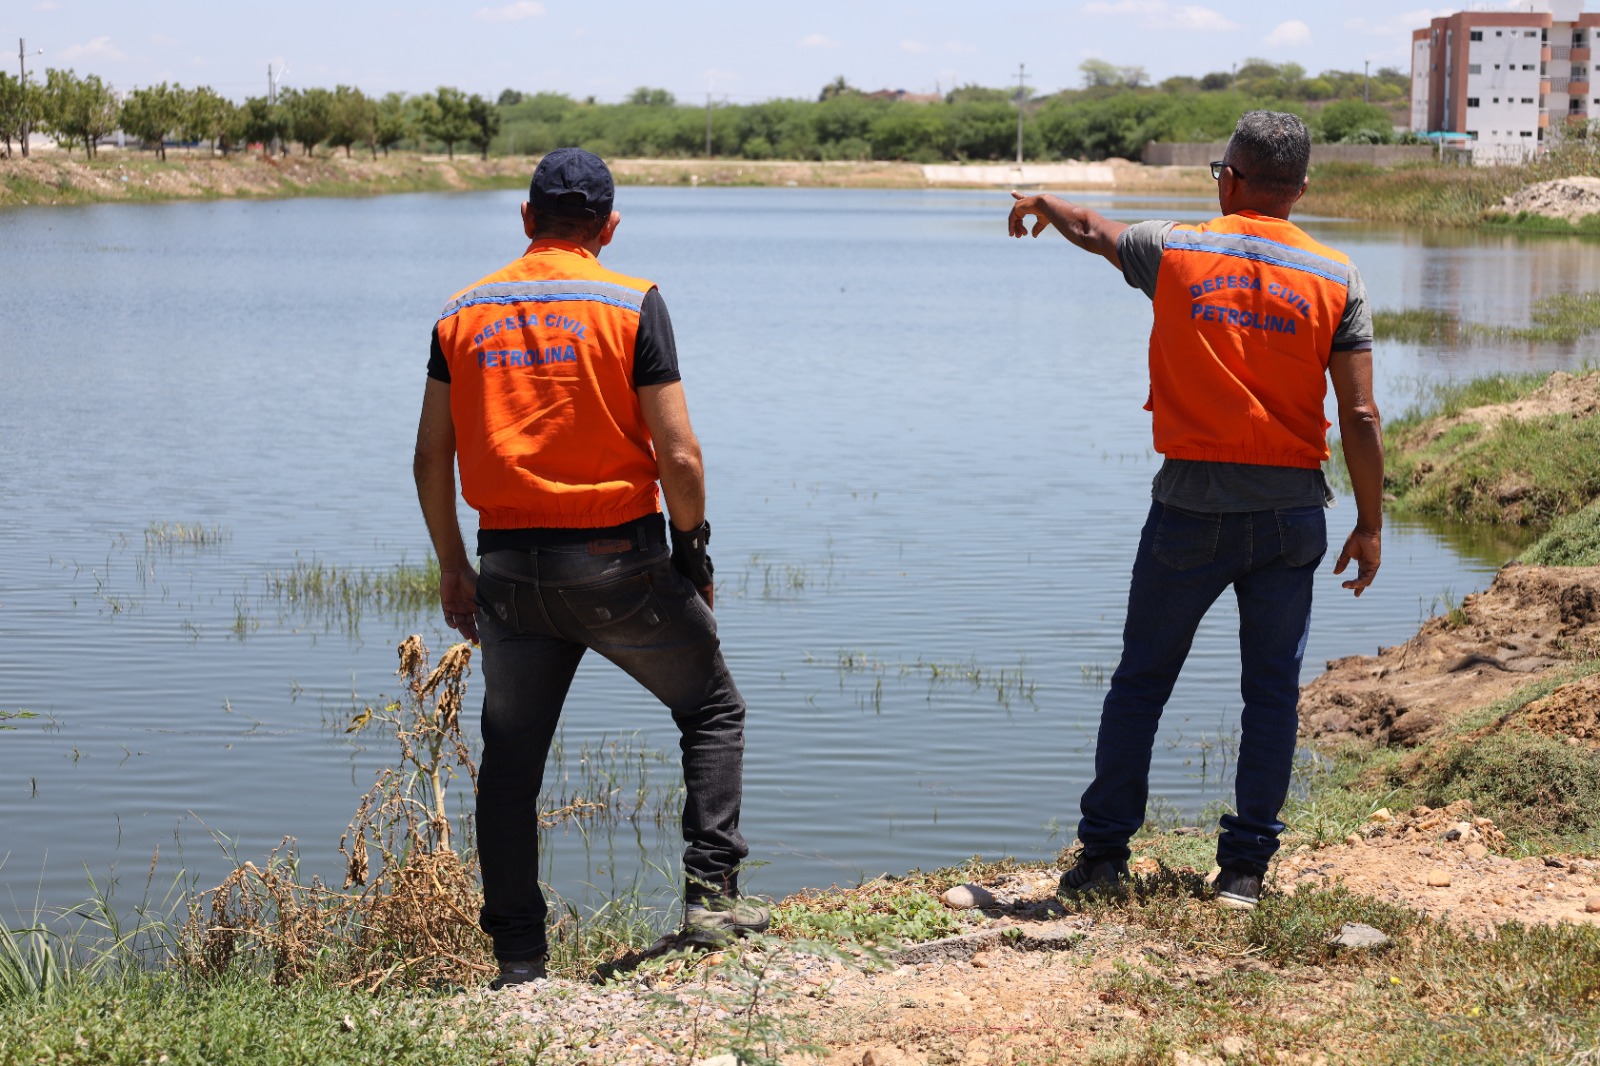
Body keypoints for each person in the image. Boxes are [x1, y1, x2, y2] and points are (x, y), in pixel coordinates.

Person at [1006, 111, 1384, 910]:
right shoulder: (1337, 276)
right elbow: (1361, 417)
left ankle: (1104, 858)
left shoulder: (1177, 247)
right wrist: (1372, 522)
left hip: (1188, 511)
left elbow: (1095, 229)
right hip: (1292, 518)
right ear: (1302, 189)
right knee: (1272, 692)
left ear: (1227, 179)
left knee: (1141, 683)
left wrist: (1042, 200)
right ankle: (1244, 871)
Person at [413, 147, 765, 988]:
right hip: (618, 561)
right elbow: (678, 453)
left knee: (510, 762)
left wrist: (455, 568)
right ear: (608, 227)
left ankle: (520, 962)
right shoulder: (631, 302)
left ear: (527, 219)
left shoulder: (461, 312)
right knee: (713, 707)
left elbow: (430, 459)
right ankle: (711, 901)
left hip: (508, 564)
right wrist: (694, 554)